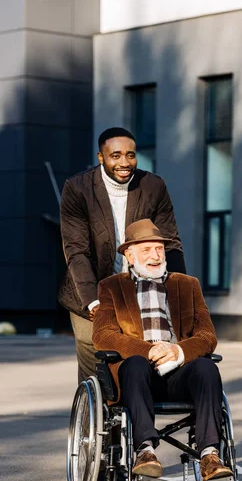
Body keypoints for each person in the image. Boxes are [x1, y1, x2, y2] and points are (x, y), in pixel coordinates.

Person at [92, 219, 232, 481]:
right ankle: (145, 451)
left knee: (206, 367)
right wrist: (147, 351)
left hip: (178, 374)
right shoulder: (111, 287)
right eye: (146, 250)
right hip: (137, 378)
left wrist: (177, 350)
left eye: (159, 249)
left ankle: (210, 456)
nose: (155, 256)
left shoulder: (188, 285)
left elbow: (207, 335)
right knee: (135, 364)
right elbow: (102, 335)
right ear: (130, 255)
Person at [59, 127, 186, 383]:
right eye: (115, 155)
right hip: (90, 290)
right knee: (97, 359)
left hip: (140, 288)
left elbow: (170, 244)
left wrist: (180, 292)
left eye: (130, 155)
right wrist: (93, 300)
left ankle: (134, 411)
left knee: (142, 356)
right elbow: (77, 250)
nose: (124, 162)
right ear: (101, 157)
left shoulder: (153, 186)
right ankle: (97, 417)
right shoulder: (78, 188)